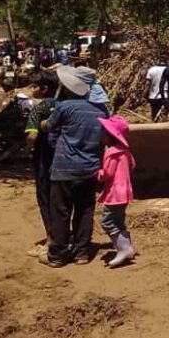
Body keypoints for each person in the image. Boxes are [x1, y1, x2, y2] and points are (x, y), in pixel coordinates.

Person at [39, 66, 109, 267]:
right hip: (90, 168)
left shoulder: (65, 107)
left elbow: (48, 126)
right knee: (85, 211)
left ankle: (57, 255)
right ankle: (82, 253)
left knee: (60, 211)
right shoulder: (102, 111)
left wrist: (41, 123)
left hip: (64, 168)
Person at [24, 70, 59, 255]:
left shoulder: (38, 109)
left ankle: (51, 239)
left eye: (34, 86)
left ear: (44, 89)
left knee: (45, 198)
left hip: (44, 159)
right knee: (60, 198)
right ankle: (65, 235)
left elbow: (32, 135)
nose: (31, 89)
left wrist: (27, 147)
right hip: (63, 158)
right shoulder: (62, 105)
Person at [97, 115, 137, 268]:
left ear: (111, 135)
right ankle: (127, 247)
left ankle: (124, 248)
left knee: (107, 222)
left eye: (104, 132)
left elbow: (107, 173)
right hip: (125, 191)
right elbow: (133, 165)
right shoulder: (125, 151)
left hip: (114, 192)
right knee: (119, 221)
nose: (102, 134)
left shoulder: (111, 152)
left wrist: (98, 173)